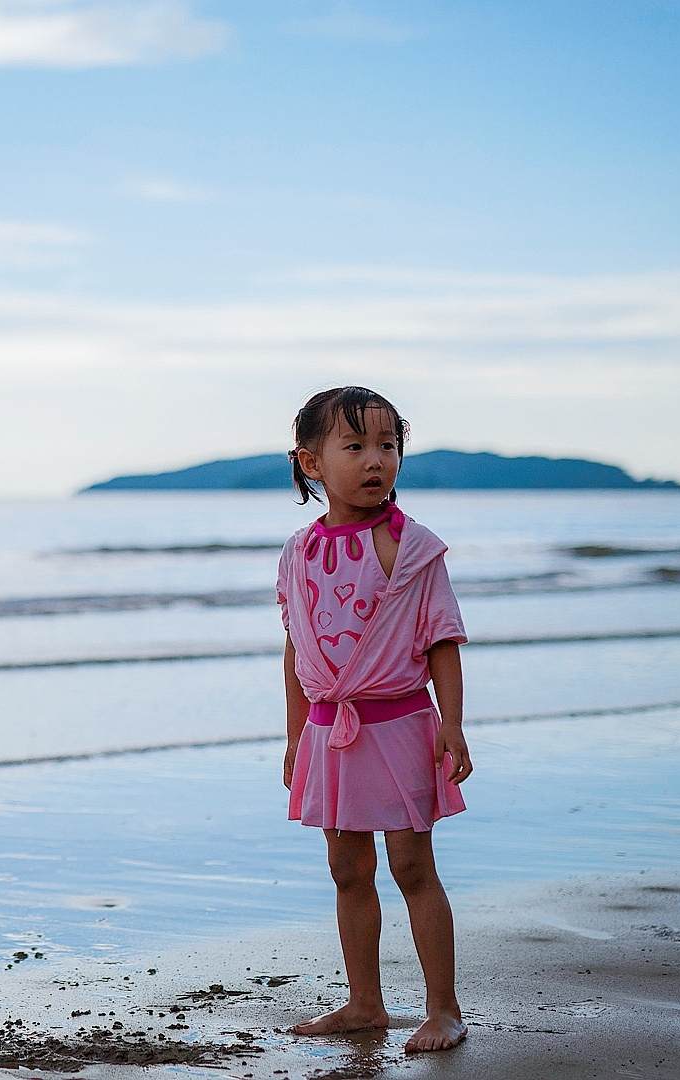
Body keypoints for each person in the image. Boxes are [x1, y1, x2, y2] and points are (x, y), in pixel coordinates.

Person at [275, 386, 474, 1054]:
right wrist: (296, 735)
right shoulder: (299, 553)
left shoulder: (409, 547)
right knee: (346, 867)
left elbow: (441, 636)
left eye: (388, 445)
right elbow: (297, 647)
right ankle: (365, 1004)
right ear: (311, 462)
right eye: (354, 445)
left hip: (400, 725)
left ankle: (443, 1009)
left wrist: (453, 722)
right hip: (332, 733)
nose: (375, 460)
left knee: (413, 864)